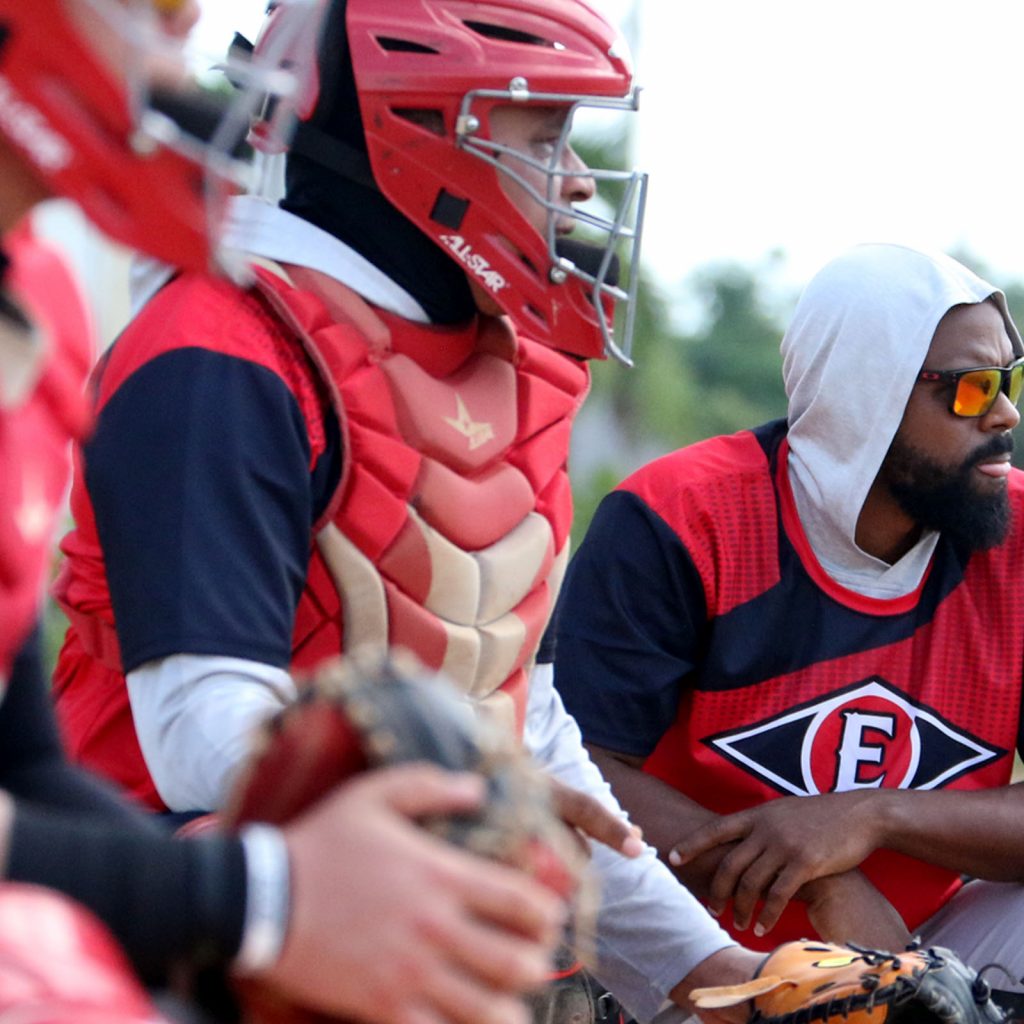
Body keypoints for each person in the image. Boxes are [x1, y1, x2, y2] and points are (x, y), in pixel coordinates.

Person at [49, 0, 779, 1020]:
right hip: (175, 935)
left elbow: (520, 718)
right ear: (426, 131)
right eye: (548, 133)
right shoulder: (220, 348)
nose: (576, 180)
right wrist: (485, 789)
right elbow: (200, 740)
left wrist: (712, 976)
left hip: (406, 915)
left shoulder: (513, 367)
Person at [0, 2, 574, 1021]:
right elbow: (194, 743)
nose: (176, 52)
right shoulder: (219, 343)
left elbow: (23, 759)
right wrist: (266, 899)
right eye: (152, 10)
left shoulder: (38, 303)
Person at [551, 242, 1024, 995]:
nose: (1006, 412)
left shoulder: (1019, 540)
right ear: (863, 392)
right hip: (693, 941)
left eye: (1010, 378)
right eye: (971, 389)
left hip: (919, 938)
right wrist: (817, 881)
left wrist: (872, 818)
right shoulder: (680, 517)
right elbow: (578, 770)